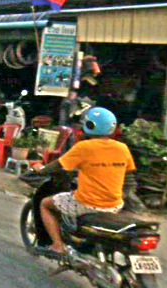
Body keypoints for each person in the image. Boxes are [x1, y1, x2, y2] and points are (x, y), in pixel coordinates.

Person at [31, 106, 137, 258]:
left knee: (45, 204)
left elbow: (58, 165)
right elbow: (128, 174)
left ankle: (57, 246)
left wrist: (40, 169)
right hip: (115, 205)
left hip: (87, 203)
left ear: (90, 125)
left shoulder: (83, 147)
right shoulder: (123, 148)